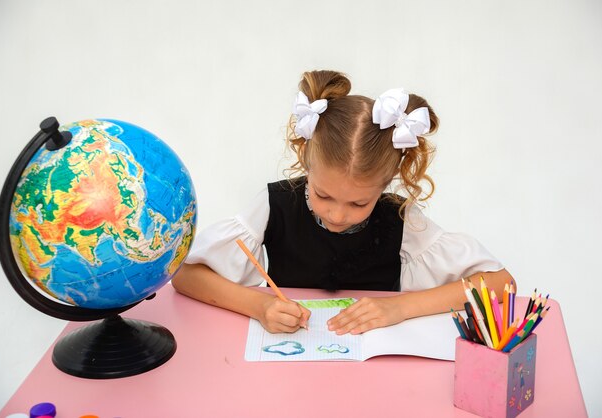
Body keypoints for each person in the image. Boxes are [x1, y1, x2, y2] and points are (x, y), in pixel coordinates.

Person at [172, 70, 514, 335]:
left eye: (359, 204)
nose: (337, 214)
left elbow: (501, 283)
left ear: (384, 186)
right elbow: (185, 275)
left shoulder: (399, 216)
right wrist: (258, 307)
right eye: (323, 195)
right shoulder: (275, 203)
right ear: (306, 160)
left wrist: (401, 308)